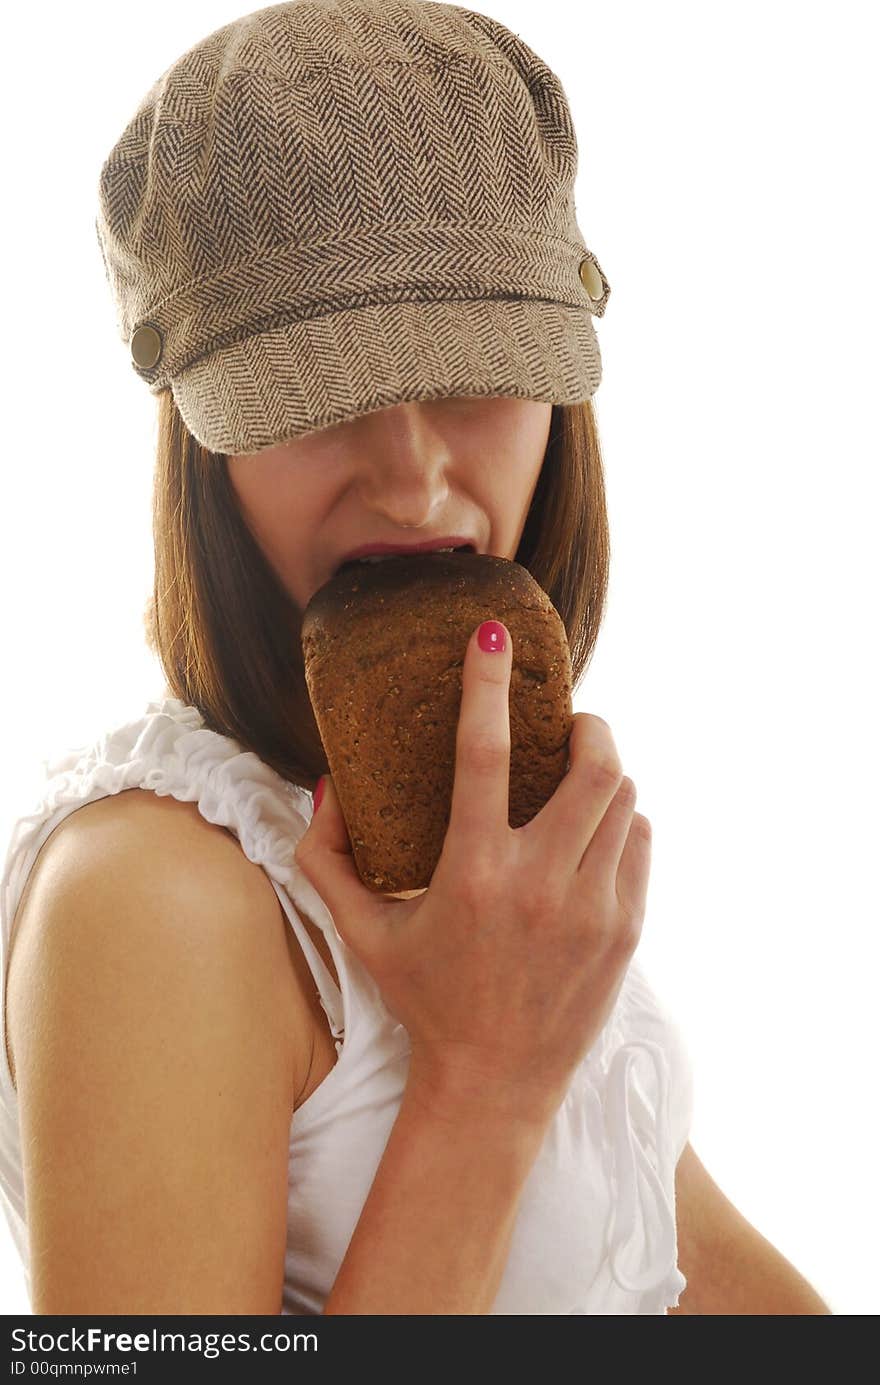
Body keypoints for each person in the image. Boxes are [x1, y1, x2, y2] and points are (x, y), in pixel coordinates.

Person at [0, 0, 830, 1316]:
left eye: (474, 373)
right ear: (199, 444)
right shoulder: (147, 895)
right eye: (316, 393)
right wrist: (483, 1078)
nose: (415, 473)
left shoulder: (485, 876)